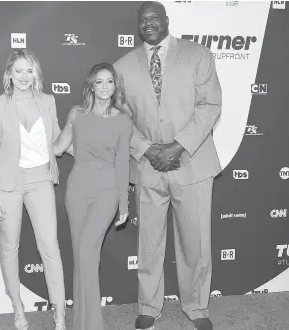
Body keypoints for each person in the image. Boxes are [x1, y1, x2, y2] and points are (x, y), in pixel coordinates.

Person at [114, 2, 222, 330]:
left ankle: (197, 307)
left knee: (196, 241)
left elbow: (210, 104)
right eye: (142, 19)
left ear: (166, 21)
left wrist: (178, 146)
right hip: (148, 168)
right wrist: (147, 150)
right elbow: (120, 116)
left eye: (154, 18)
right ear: (138, 25)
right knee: (149, 241)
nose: (148, 24)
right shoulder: (122, 66)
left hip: (192, 163)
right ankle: (149, 305)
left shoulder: (198, 55)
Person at [0, 49, 66, 330]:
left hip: (41, 179)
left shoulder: (48, 101)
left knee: (50, 247)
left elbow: (57, 140)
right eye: (18, 71)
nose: (24, 77)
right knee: (9, 247)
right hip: (8, 183)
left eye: (29, 71)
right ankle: (18, 308)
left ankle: (60, 313)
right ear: (8, 74)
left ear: (36, 73)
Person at [53, 63, 133, 330]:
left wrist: (124, 201)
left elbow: (123, 163)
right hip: (77, 190)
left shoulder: (123, 120)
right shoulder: (77, 113)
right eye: (99, 82)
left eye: (109, 82)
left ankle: (93, 324)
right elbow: (59, 147)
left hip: (107, 190)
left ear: (115, 86)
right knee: (82, 255)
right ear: (91, 86)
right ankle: (82, 323)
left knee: (87, 250)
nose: (104, 87)